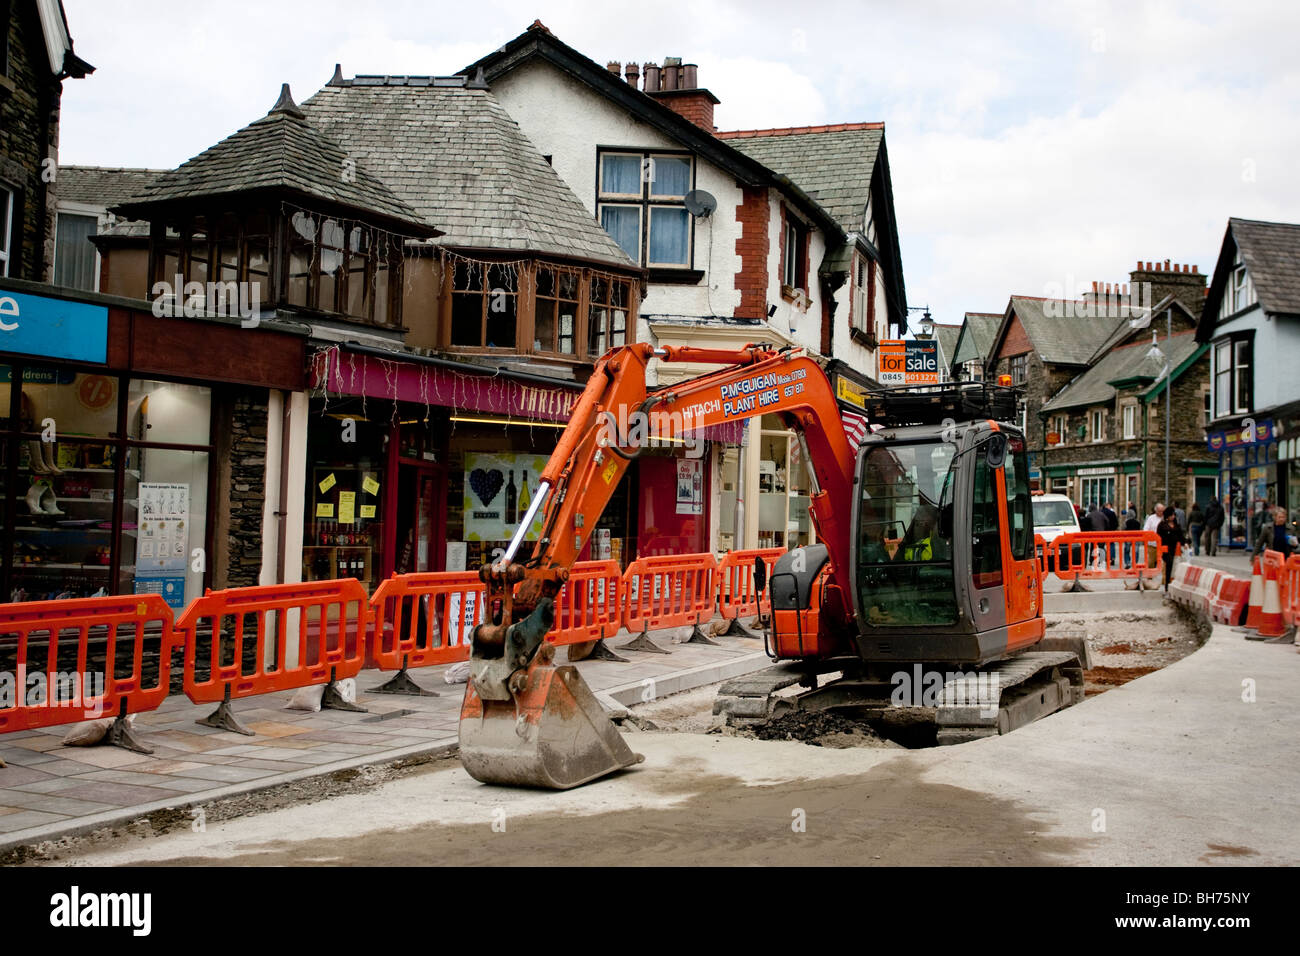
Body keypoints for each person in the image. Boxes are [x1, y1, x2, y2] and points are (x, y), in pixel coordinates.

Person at [1156, 509, 1186, 593]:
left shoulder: (1176, 525)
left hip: (1174, 548)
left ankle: (1170, 583)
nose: (1173, 517)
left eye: (1174, 515)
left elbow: (1180, 536)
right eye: (1171, 515)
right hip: (1165, 547)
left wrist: (1184, 543)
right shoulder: (1162, 525)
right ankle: (1167, 585)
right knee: (1168, 564)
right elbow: (1158, 536)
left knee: (1172, 565)